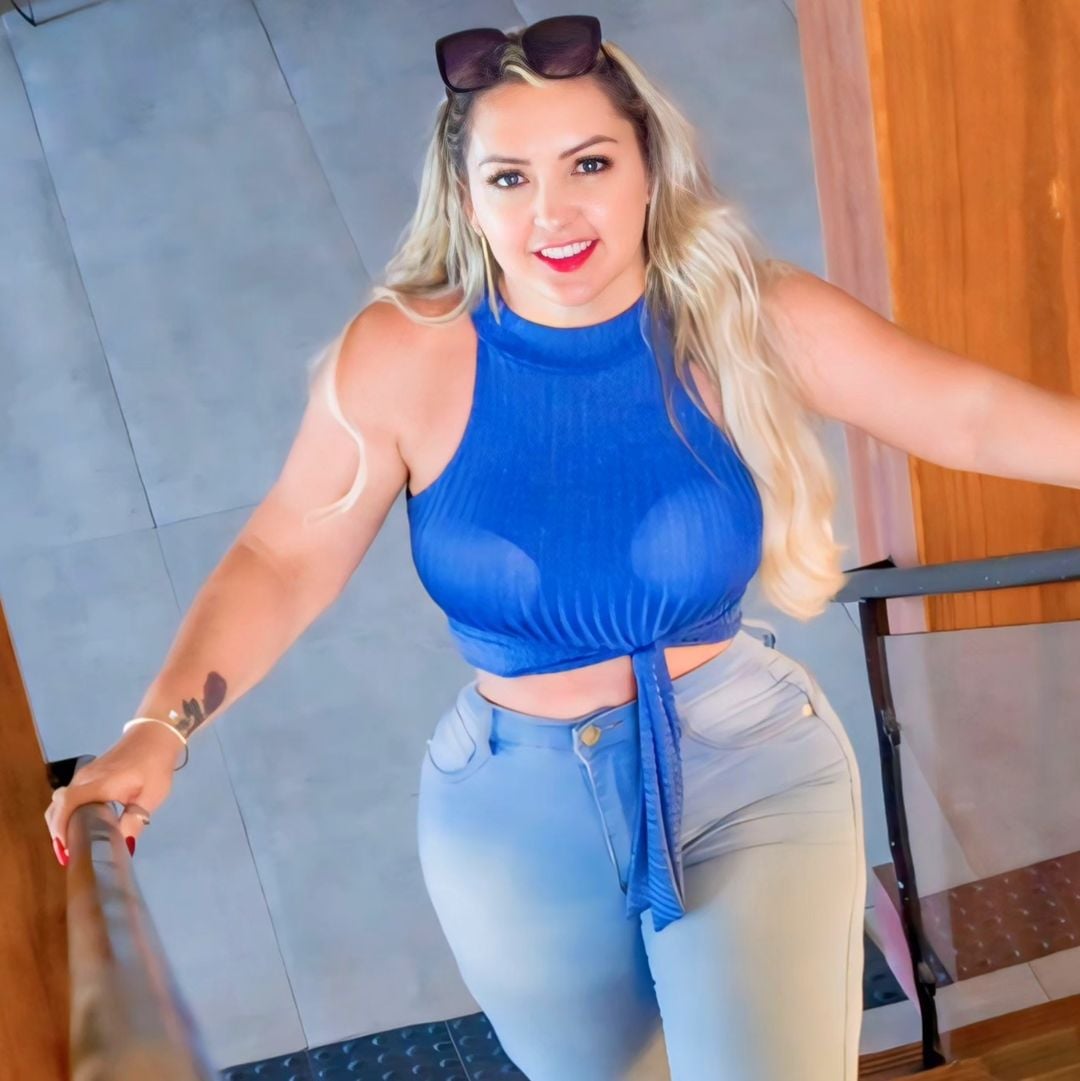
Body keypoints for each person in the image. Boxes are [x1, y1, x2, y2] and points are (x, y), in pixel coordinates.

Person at [44, 15, 873, 1080]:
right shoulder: (405, 352)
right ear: (467, 198)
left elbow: (973, 416)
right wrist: (157, 729)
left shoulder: (736, 314)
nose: (553, 211)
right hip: (511, 814)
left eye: (589, 163)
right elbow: (284, 557)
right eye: (509, 178)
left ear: (649, 167)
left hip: (745, 763)